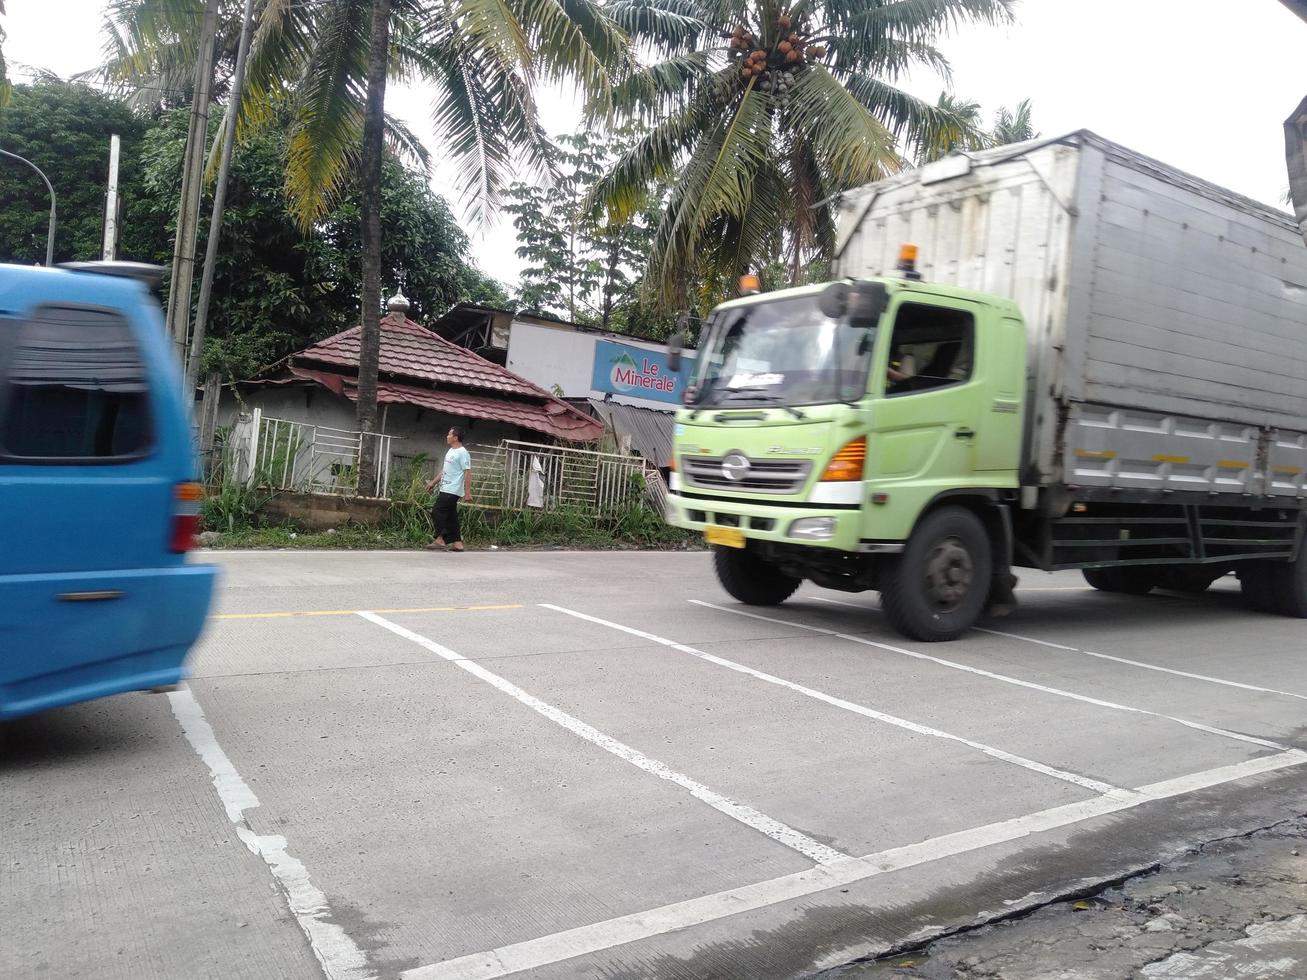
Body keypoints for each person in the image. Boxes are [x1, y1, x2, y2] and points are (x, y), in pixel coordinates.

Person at [425, 426, 472, 552]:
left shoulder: (463, 453)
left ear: (455, 437)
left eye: (449, 434)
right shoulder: (451, 451)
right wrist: (433, 483)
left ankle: (441, 539)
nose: (447, 436)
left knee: (437, 511)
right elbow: (444, 471)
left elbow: (468, 473)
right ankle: (458, 543)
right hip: (445, 487)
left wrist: (468, 493)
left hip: (453, 490)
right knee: (451, 516)